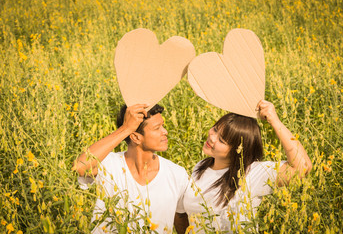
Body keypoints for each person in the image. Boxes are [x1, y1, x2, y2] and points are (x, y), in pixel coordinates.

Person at [182, 100, 312, 233]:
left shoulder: (252, 174)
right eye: (215, 129)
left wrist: (274, 120)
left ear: (238, 150)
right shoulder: (201, 167)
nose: (212, 138)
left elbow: (302, 167)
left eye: (221, 140)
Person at [73, 104, 189, 234]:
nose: (165, 131)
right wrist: (126, 128)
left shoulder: (177, 174)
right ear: (135, 137)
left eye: (163, 125)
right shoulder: (110, 164)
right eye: (157, 128)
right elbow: (80, 166)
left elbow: (181, 218)